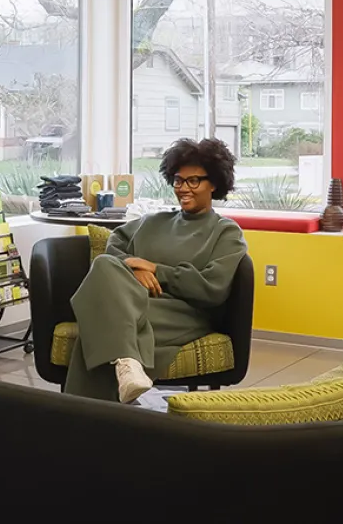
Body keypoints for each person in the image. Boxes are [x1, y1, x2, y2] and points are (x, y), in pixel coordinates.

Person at [64, 138, 247, 403]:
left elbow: (212, 289)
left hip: (182, 313)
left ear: (214, 183)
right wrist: (133, 268)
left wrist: (156, 270)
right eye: (178, 181)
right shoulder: (153, 221)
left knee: (100, 322)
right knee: (104, 264)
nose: (183, 188)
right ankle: (126, 364)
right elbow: (115, 243)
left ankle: (80, 415)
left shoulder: (226, 232)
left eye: (193, 181)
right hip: (132, 302)